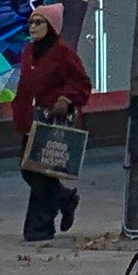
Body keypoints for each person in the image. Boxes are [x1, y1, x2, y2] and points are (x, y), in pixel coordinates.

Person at [13, 13, 93, 239]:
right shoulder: (29, 51)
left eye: (38, 22)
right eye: (30, 22)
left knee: (40, 171)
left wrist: (65, 98)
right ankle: (65, 199)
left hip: (52, 120)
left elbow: (81, 81)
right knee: (30, 169)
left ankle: (39, 227)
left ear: (51, 26)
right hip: (32, 119)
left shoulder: (62, 51)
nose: (33, 27)